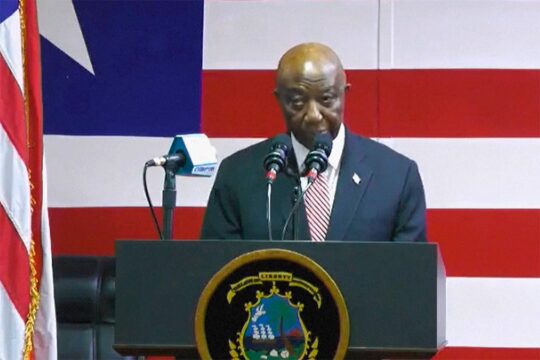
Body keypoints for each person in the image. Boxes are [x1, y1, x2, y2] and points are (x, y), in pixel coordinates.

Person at [201, 43, 427, 242]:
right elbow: (216, 272)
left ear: (344, 94)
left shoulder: (396, 176)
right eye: (297, 102)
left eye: (326, 99)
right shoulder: (238, 174)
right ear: (279, 100)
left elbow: (410, 278)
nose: (313, 115)